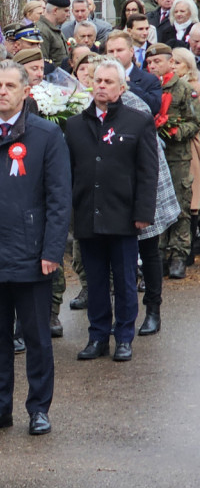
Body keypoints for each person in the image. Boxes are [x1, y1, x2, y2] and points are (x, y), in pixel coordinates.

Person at [0, 60, 71, 436]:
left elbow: (58, 199)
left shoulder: (46, 136)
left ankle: (39, 408)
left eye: (9, 86)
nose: (2, 91)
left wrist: (52, 251)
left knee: (37, 338)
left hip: (32, 255)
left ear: (25, 91)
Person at [66, 60, 158, 362]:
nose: (102, 85)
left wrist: (143, 211)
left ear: (121, 88)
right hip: (88, 214)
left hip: (123, 213)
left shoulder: (138, 121)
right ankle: (97, 336)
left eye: (109, 81)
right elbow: (70, 171)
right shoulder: (75, 125)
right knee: (95, 281)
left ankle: (123, 337)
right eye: (98, 80)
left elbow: (147, 171)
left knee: (124, 279)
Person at [145, 43, 200, 279]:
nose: (153, 66)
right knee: (155, 204)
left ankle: (179, 254)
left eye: (158, 62)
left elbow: (194, 121)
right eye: (149, 63)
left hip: (177, 155)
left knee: (180, 204)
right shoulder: (146, 87)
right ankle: (158, 252)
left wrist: (176, 132)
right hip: (152, 155)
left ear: (170, 63)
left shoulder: (183, 88)